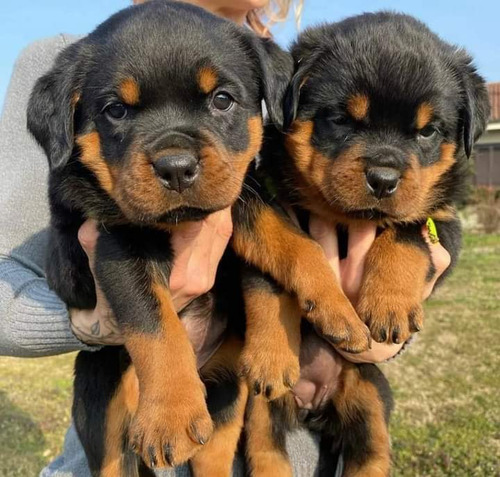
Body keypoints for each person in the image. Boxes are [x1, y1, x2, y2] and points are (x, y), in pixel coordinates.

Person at [0, 0, 451, 475]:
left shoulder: (310, 69)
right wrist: (94, 324)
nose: (176, 159)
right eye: (117, 110)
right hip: (127, 423)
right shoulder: (72, 58)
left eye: (221, 102)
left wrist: (377, 334)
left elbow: (297, 243)